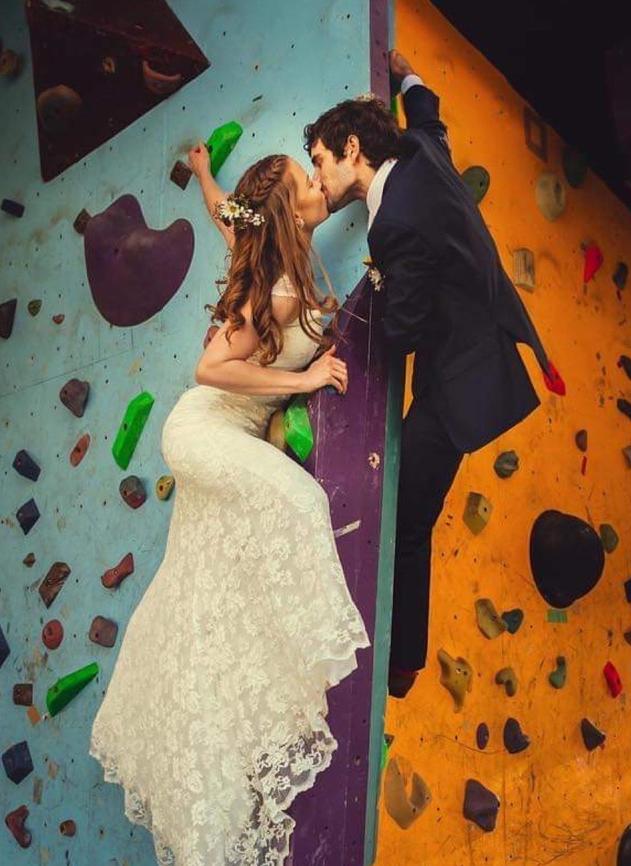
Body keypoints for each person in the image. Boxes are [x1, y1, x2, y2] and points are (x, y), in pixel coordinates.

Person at [88, 146, 371, 866]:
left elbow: (228, 217)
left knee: (206, 602)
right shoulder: (275, 290)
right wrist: (302, 386)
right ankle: (313, 662)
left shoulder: (281, 255)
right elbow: (210, 367)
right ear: (289, 210)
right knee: (302, 502)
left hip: (223, 432)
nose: (317, 187)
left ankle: (209, 763)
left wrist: (203, 173)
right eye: (308, 181)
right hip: (204, 426)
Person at [304, 49, 564, 699]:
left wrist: (368, 294)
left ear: (353, 150)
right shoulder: (421, 151)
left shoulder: (394, 223)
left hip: (459, 379)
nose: (317, 178)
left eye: (320, 162)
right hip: (483, 344)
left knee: (409, 517)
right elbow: (430, 115)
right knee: (413, 509)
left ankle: (401, 664)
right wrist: (408, 76)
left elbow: (405, 331)